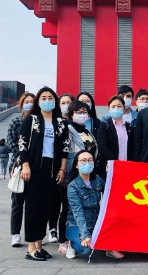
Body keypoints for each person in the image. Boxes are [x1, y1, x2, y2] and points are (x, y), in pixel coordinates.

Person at [19, 87, 69, 261]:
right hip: (34, 168)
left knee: (45, 207)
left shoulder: (60, 122)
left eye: (50, 97)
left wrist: (62, 169)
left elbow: (65, 148)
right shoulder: (32, 119)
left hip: (52, 169)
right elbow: (22, 144)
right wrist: (25, 165)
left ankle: (39, 245)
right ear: (38, 101)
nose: (47, 100)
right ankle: (31, 248)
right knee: (33, 208)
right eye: (43, 97)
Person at [66, 150, 124, 259]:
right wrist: (85, 235)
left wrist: (109, 173)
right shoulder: (73, 186)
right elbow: (78, 212)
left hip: (95, 222)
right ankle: (71, 244)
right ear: (76, 165)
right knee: (85, 249)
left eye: (90, 160)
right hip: (77, 225)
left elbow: (110, 191)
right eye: (83, 161)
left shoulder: (97, 179)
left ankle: (107, 248)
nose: (87, 163)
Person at [57, 100, 98, 254]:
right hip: (71, 173)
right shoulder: (67, 128)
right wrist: (64, 170)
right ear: (71, 113)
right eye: (78, 112)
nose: (82, 115)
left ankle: (81, 235)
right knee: (67, 207)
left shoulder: (86, 131)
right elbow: (63, 151)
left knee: (82, 205)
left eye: (84, 112)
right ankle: (64, 240)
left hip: (86, 173)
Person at [7, 91, 35, 247]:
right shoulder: (16, 121)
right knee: (17, 202)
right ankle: (15, 234)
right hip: (19, 166)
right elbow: (12, 142)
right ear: (21, 104)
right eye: (26, 102)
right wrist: (23, 159)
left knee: (33, 204)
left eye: (32, 101)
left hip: (36, 167)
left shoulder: (39, 122)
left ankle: (32, 235)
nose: (29, 104)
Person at [48, 94, 75, 245]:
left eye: (68, 102)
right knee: (54, 200)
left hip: (70, 168)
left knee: (66, 203)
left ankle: (65, 233)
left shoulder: (76, 122)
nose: (66, 105)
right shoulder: (55, 122)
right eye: (63, 102)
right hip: (55, 167)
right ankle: (52, 229)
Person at [97, 95, 134, 180]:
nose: (116, 108)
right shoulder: (104, 125)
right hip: (110, 166)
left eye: (119, 106)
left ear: (123, 109)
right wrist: (115, 162)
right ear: (109, 109)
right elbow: (102, 147)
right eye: (113, 106)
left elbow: (132, 147)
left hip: (127, 167)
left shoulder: (129, 127)